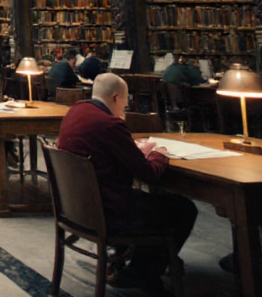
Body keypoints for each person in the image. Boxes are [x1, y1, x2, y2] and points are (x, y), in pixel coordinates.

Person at [56, 74, 197, 295]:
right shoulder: (109, 123)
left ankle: (133, 263)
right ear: (116, 97)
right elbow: (149, 174)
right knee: (183, 209)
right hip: (108, 212)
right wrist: (159, 153)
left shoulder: (75, 111)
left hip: (76, 208)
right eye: (125, 100)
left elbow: (103, 150)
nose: (126, 105)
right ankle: (141, 274)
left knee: (152, 205)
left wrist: (132, 151)